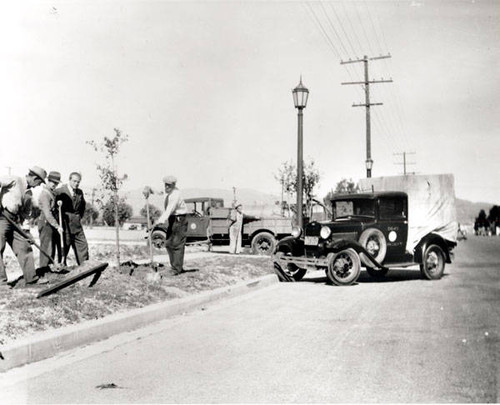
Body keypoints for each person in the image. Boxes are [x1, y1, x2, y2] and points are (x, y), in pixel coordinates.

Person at [0, 166, 48, 286]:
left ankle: (31, 279)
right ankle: (1, 283)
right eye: (39, 182)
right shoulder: (15, 180)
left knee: (24, 246)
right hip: (2, 217)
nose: (38, 185)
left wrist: (26, 232)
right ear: (34, 178)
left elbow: (26, 215)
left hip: (15, 221)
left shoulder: (29, 194)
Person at [152, 175, 188, 275]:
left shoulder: (175, 195)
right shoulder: (167, 191)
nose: (166, 187)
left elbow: (169, 210)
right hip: (173, 219)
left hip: (180, 219)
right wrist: (149, 190)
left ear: (173, 185)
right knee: (168, 243)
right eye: (165, 185)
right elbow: (159, 192)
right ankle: (174, 267)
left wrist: (159, 221)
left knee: (177, 244)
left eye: (169, 185)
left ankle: (176, 269)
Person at [56, 172, 88, 265]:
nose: (76, 184)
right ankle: (62, 268)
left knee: (83, 245)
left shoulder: (79, 192)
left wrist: (77, 217)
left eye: (78, 182)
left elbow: (82, 207)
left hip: (77, 225)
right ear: (69, 180)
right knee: (64, 246)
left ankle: (85, 267)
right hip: (65, 224)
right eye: (74, 181)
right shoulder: (59, 191)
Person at [37, 171, 63, 273]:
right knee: (46, 248)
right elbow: (47, 214)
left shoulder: (51, 193)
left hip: (49, 223)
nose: (55, 185)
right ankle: (43, 271)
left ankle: (48, 269)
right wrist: (57, 226)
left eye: (56, 183)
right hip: (45, 222)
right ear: (48, 181)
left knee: (51, 247)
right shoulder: (45, 194)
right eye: (53, 183)